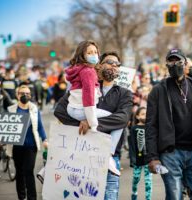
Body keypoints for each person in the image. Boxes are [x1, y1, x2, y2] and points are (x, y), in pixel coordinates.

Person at [54, 51, 133, 200]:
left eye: (118, 64)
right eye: (110, 62)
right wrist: (81, 123)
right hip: (82, 155)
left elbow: (122, 119)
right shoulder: (84, 86)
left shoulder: (125, 93)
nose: (114, 66)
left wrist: (90, 123)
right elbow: (60, 111)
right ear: (99, 65)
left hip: (110, 157)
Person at [145, 48, 192, 200]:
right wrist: (152, 157)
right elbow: (151, 126)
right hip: (170, 154)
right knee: (174, 196)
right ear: (166, 65)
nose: (174, 64)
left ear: (185, 64)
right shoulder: (158, 91)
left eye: (177, 61)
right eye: (170, 61)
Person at [65, 40, 122, 176]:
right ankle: (108, 156)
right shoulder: (88, 72)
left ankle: (45, 170)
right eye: (89, 52)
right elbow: (88, 101)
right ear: (82, 55)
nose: (93, 55)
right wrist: (93, 124)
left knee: (119, 120)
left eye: (95, 52)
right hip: (81, 110)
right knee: (116, 120)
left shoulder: (78, 70)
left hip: (72, 109)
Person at [6, 85, 48, 200]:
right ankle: (21, 196)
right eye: (22, 93)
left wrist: (44, 139)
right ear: (17, 95)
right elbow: (6, 128)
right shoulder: (11, 110)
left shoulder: (34, 108)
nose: (25, 95)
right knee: (19, 172)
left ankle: (32, 198)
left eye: (28, 93)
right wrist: (1, 140)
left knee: (28, 171)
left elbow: (40, 126)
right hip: (17, 147)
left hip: (31, 146)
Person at [129, 107, 152, 200]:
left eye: (146, 114)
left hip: (148, 159)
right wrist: (132, 159)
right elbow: (132, 145)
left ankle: (148, 198)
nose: (145, 116)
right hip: (137, 159)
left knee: (148, 181)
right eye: (142, 114)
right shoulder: (134, 128)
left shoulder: (150, 128)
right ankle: (134, 192)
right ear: (137, 116)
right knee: (136, 179)